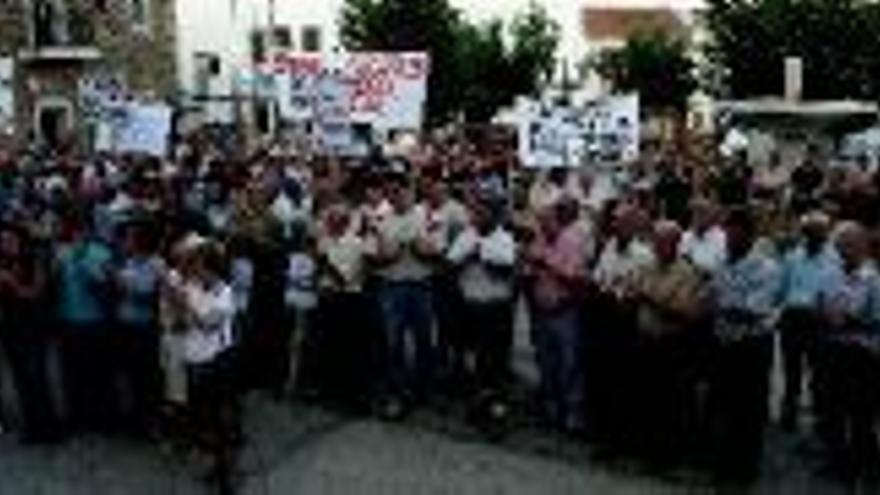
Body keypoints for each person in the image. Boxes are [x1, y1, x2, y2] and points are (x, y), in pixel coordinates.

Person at [707, 206, 781, 481]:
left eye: (733, 232)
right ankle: (723, 461)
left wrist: (725, 304)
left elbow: (752, 309)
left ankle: (746, 467)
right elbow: (712, 300)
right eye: (726, 231)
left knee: (749, 409)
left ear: (749, 234)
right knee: (723, 405)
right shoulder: (722, 262)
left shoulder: (767, 267)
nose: (727, 237)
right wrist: (724, 304)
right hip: (724, 342)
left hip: (752, 346)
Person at [632, 220, 705, 464]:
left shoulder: (687, 272)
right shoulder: (648, 265)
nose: (656, 246)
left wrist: (650, 299)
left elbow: (684, 312)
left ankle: (668, 452)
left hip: (671, 343)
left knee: (669, 401)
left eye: (662, 242)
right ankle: (647, 446)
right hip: (646, 339)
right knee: (647, 397)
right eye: (655, 241)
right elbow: (636, 291)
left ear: (675, 244)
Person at [816, 222, 880, 478]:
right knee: (833, 410)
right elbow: (820, 302)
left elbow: (876, 318)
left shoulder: (874, 279)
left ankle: (863, 461)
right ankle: (837, 459)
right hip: (834, 348)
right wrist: (824, 314)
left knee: (861, 413)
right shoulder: (830, 274)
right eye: (841, 245)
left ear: (863, 246)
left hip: (861, 353)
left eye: (850, 244)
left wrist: (849, 319)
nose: (845, 250)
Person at [370, 174, 437, 418]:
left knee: (423, 340)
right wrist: (385, 257)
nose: (394, 196)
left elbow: (437, 251)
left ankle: (423, 389)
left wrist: (422, 250)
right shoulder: (382, 220)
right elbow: (374, 257)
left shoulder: (425, 215)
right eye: (390, 192)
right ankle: (396, 391)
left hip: (420, 285)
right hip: (392, 286)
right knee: (393, 342)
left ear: (409, 191)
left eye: (398, 191)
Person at [447, 198, 516, 425]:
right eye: (476, 214)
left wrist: (480, 255)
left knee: (495, 360)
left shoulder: (504, 238)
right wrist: (470, 255)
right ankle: (477, 403)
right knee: (472, 358)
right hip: (470, 306)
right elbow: (450, 262)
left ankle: (496, 408)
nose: (477, 218)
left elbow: (506, 268)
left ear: (494, 217)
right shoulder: (466, 235)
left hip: (495, 308)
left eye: (483, 214)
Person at [525, 198, 587, 433]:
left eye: (546, 222)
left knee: (569, 365)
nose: (542, 227)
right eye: (540, 223)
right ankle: (551, 409)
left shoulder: (572, 242)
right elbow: (531, 264)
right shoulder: (540, 240)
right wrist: (533, 263)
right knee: (546, 362)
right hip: (542, 310)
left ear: (558, 222)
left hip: (565, 311)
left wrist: (547, 264)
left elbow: (575, 279)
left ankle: (573, 414)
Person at [55, 210, 116, 432]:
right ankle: (76, 416)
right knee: (71, 373)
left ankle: (100, 416)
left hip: (94, 321)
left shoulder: (103, 253)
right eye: (75, 229)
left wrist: (83, 262)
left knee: (96, 372)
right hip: (67, 319)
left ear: (91, 231)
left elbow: (106, 287)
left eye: (83, 229)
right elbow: (55, 284)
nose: (78, 233)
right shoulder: (61, 252)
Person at [776, 212, 838, 431]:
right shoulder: (792, 257)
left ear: (825, 234)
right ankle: (789, 410)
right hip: (793, 317)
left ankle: (820, 416)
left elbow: (834, 292)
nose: (812, 236)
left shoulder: (834, 259)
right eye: (809, 231)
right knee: (791, 369)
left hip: (817, 319)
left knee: (819, 371)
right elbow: (780, 290)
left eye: (817, 232)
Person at [0, 221, 60, 443]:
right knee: (20, 379)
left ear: (20, 240)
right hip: (10, 328)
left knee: (37, 377)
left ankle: (49, 427)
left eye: (9, 239)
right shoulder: (4, 261)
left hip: (34, 327)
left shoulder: (35, 259)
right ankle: (32, 427)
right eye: (3, 240)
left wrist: (11, 282)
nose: (6, 243)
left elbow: (36, 292)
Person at [313, 203, 373, 410]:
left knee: (349, 349)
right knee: (328, 347)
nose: (331, 223)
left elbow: (347, 278)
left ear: (345, 223)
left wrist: (325, 265)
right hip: (327, 299)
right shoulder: (323, 241)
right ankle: (330, 391)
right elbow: (319, 273)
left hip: (348, 301)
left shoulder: (356, 244)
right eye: (330, 219)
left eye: (336, 219)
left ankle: (352, 396)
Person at [112, 219, 165, 435]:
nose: (125, 242)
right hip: (126, 325)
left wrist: (120, 280)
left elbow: (147, 293)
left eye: (129, 238)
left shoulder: (156, 263)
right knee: (131, 374)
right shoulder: (128, 261)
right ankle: (136, 418)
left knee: (148, 376)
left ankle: (151, 420)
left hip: (145, 328)